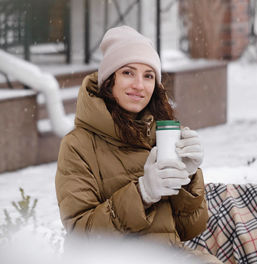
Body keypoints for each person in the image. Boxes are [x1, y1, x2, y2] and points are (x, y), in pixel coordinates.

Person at [55, 26, 220, 263]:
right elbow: (83, 236)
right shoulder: (77, 145)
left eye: (148, 75)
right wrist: (142, 194)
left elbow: (189, 229)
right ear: (109, 80)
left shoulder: (161, 135)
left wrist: (189, 178)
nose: (139, 85)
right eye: (128, 73)